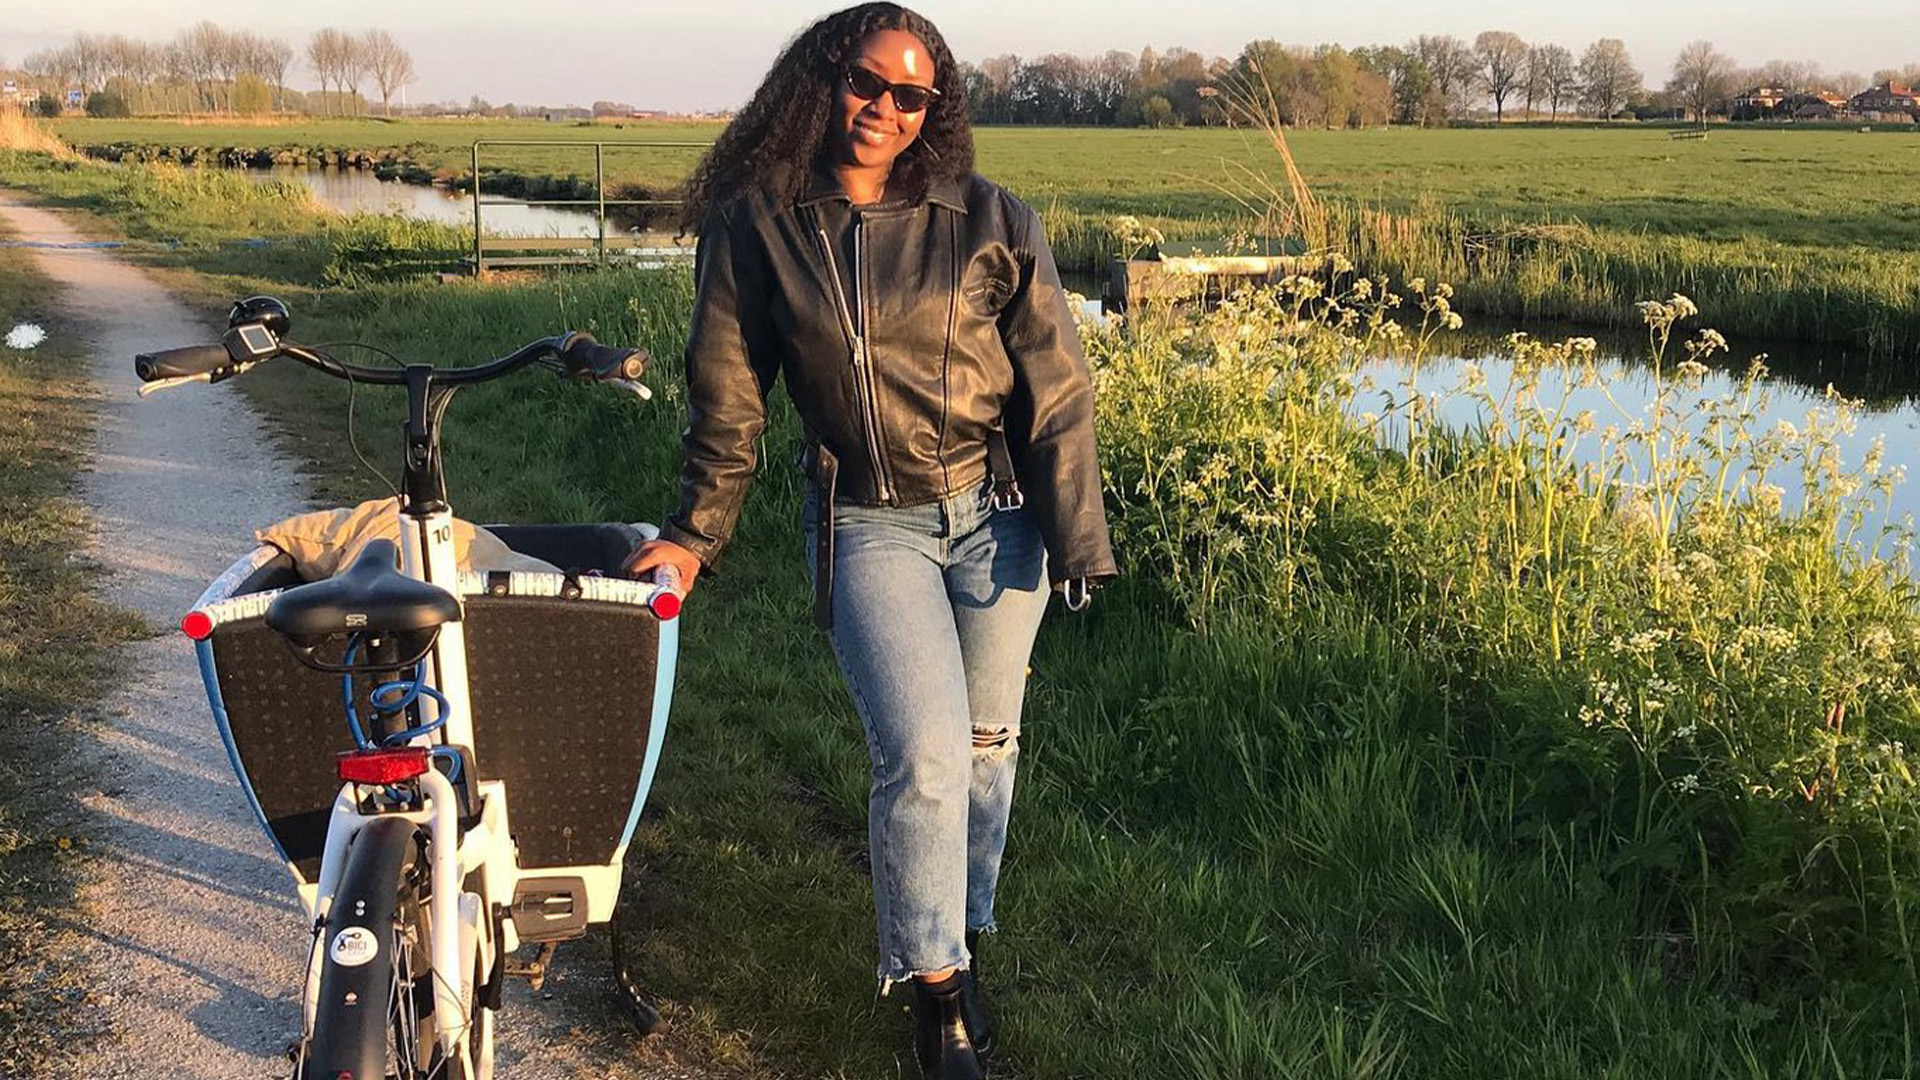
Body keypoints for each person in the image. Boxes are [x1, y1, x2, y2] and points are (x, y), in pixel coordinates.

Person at [625, 5, 1116, 1076]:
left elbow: (1056, 388)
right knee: (925, 757)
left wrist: (1078, 538)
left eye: (911, 94)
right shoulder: (756, 225)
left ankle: (961, 936)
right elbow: (729, 400)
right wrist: (694, 535)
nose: (885, 108)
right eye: (865, 81)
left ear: (935, 108)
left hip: (999, 521)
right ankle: (936, 996)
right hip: (867, 523)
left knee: (986, 749)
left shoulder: (989, 218)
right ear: (821, 77)